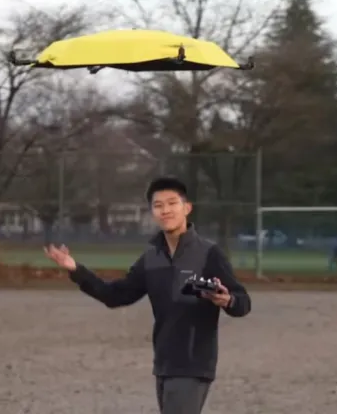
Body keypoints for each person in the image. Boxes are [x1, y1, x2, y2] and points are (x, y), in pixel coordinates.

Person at [44, 176, 251, 414]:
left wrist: (228, 300)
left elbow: (243, 302)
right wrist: (75, 270)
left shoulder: (209, 254)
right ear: (152, 212)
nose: (166, 210)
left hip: (194, 364)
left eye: (172, 203)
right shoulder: (151, 258)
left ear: (187, 208)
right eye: (158, 205)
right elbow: (115, 295)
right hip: (163, 364)